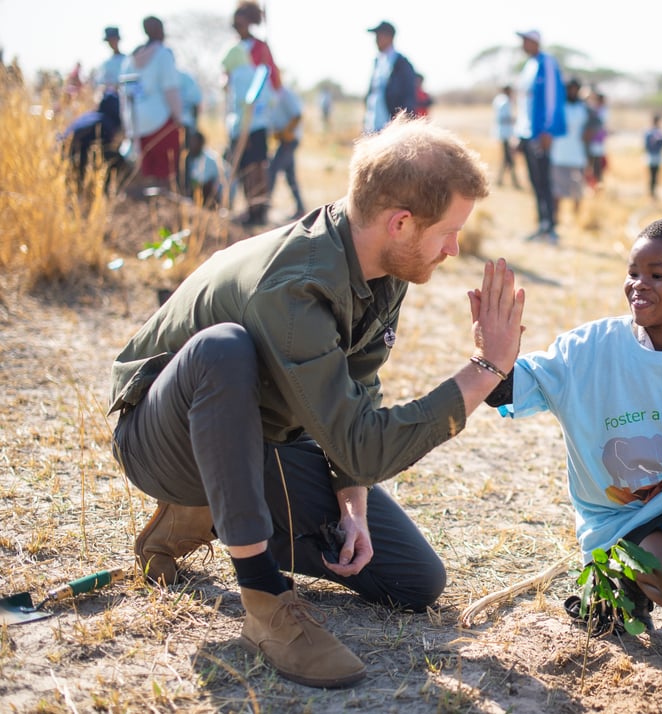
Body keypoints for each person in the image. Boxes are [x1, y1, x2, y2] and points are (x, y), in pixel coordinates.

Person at [109, 115, 525, 690]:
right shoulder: (296, 283)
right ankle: (264, 602)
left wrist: (351, 502)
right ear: (400, 223)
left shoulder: (383, 262)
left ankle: (208, 514)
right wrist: (485, 370)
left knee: (414, 582)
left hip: (263, 436)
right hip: (162, 438)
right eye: (449, 232)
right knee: (223, 350)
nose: (454, 250)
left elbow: (359, 395)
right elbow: (365, 444)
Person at [485, 215, 662, 662]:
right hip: (621, 524)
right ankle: (620, 582)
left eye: (658, 276)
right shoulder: (589, 347)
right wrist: (492, 358)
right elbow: (508, 390)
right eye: (633, 272)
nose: (639, 284)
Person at [223, 3, 275, 226]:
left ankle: (259, 208)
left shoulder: (260, 47)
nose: (238, 26)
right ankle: (248, 207)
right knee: (243, 166)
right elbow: (225, 77)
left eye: (241, 21)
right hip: (238, 118)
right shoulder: (232, 51)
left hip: (257, 117)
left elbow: (270, 77)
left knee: (257, 166)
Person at [513, 29, 566, 242]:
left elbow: (552, 98)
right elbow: (523, 102)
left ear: (535, 42)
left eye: (526, 40)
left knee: (544, 180)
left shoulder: (547, 63)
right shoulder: (528, 66)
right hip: (526, 133)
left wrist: (548, 130)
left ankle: (550, 226)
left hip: (540, 134)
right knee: (534, 180)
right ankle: (541, 223)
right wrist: (518, 133)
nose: (523, 44)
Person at [119, 16, 183, 189]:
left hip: (137, 124)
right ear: (158, 31)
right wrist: (179, 117)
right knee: (166, 174)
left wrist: (128, 126)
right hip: (161, 121)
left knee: (147, 174)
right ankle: (165, 210)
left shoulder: (128, 61)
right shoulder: (163, 55)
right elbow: (171, 89)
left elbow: (125, 96)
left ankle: (152, 211)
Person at [548, 77, 589, 242]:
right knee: (556, 191)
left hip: (577, 156)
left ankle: (576, 221)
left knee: (577, 192)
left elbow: (595, 126)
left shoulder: (584, 109)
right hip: (559, 155)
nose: (572, 91)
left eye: (575, 89)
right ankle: (556, 220)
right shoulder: (558, 107)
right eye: (569, 89)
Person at [363, 20, 417, 134]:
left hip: (391, 130)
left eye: (379, 36)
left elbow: (409, 97)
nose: (376, 40)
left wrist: (403, 125)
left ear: (389, 37)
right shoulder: (378, 62)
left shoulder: (401, 63)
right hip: (372, 126)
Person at [267, 83, 306, 221]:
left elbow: (297, 115)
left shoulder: (285, 94)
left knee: (272, 170)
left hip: (290, 140)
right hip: (283, 140)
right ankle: (300, 208)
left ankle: (264, 206)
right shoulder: (272, 95)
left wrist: (286, 132)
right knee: (290, 175)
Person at [182, 130, 223, 207]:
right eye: (191, 141)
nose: (192, 144)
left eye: (195, 142)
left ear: (201, 144)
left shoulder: (209, 159)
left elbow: (201, 182)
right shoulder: (190, 158)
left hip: (216, 194)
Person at [492, 85, 521, 189]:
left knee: (507, 158)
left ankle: (501, 180)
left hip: (503, 133)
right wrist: (514, 120)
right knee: (509, 158)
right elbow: (504, 118)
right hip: (505, 133)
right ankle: (514, 181)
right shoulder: (504, 101)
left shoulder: (499, 100)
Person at [584, 91, 608, 186]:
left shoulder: (601, 111)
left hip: (596, 140)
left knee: (596, 162)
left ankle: (596, 181)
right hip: (591, 140)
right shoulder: (593, 109)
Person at [96, 26, 126, 93]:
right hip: (112, 99)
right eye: (110, 41)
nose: (112, 43)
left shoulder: (127, 60)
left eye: (114, 39)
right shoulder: (106, 64)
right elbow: (101, 83)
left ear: (118, 40)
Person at [643, 114, 662, 199]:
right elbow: (646, 144)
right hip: (651, 155)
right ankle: (651, 192)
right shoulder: (649, 132)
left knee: (656, 175)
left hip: (657, 155)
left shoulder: (660, 132)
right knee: (652, 174)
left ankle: (654, 191)